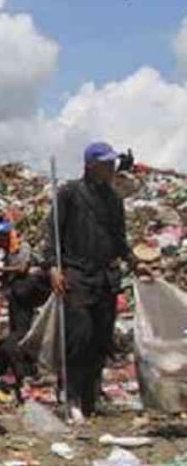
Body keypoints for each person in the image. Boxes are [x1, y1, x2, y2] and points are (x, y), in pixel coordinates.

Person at [43, 141, 146, 423]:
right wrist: (53, 267)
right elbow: (53, 234)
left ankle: (90, 398)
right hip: (77, 275)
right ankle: (72, 397)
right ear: (90, 165)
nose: (112, 168)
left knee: (101, 339)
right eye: (106, 164)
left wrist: (135, 262)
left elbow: (119, 238)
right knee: (80, 336)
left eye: (113, 163)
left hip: (106, 277)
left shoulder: (113, 199)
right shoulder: (70, 194)